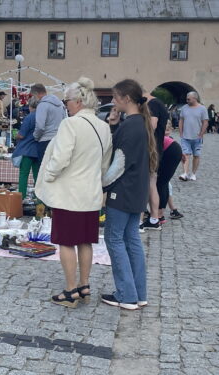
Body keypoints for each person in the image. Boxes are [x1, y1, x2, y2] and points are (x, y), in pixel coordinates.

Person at [35, 77, 113, 308]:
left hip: (69, 194)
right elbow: (104, 165)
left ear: (78, 101)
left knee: (67, 243)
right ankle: (84, 285)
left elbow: (60, 158)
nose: (65, 105)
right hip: (90, 193)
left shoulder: (70, 124)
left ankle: (70, 291)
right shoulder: (104, 127)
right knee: (85, 242)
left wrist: (48, 176)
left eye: (67, 100)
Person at [101, 79, 159, 310]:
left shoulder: (131, 126)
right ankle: (138, 293)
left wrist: (102, 185)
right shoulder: (139, 123)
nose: (113, 101)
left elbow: (119, 164)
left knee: (114, 239)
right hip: (137, 191)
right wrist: (114, 125)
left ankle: (126, 295)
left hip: (123, 192)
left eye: (115, 97)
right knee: (131, 240)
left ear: (126, 98)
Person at [140, 91, 170, 231]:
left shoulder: (152, 104)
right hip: (156, 149)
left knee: (146, 183)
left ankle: (140, 220)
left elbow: (152, 125)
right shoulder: (158, 103)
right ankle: (153, 219)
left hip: (151, 149)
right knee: (152, 184)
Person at [12, 96, 40, 198]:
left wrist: (16, 135)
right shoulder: (42, 116)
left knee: (24, 175)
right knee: (37, 176)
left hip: (27, 150)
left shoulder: (29, 117)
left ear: (30, 106)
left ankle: (21, 197)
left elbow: (22, 134)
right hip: (38, 150)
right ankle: (38, 198)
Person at [30, 83, 67, 160]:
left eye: (33, 96)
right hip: (58, 140)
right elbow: (65, 121)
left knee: (44, 169)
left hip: (45, 140)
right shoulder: (60, 104)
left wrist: (35, 137)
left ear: (36, 94)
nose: (34, 98)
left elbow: (40, 126)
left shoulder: (42, 105)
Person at [178, 91, 208, 181]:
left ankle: (193, 173)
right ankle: (185, 173)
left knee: (196, 155)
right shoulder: (184, 108)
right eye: (186, 99)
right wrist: (181, 132)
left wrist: (201, 134)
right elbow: (181, 120)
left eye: (188, 99)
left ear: (195, 98)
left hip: (197, 137)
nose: (187, 100)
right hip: (185, 137)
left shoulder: (202, 109)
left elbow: (205, 122)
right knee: (185, 154)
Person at [155, 125, 182, 223]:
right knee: (163, 183)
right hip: (173, 149)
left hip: (170, 151)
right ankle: (160, 214)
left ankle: (159, 215)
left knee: (160, 183)